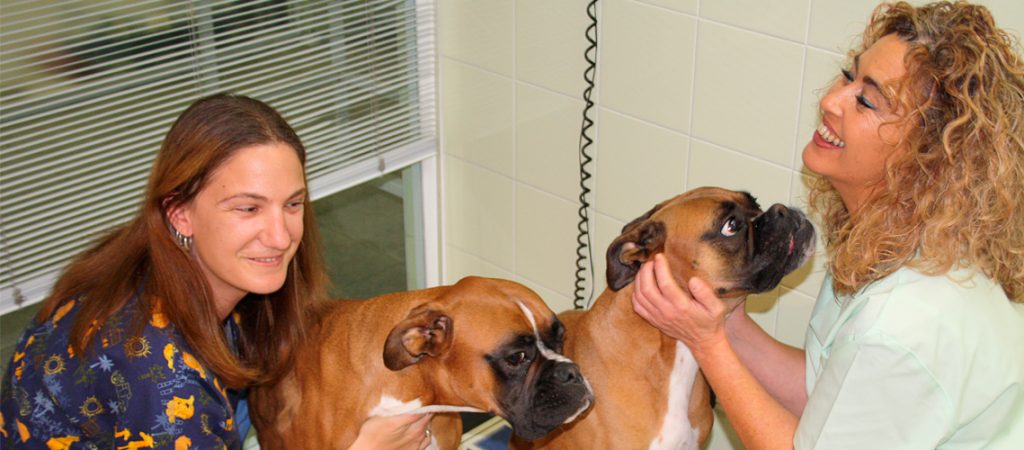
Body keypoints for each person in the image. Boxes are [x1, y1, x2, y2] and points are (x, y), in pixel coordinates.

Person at [631, 2, 1024, 449]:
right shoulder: (892, 241)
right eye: (848, 74)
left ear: (931, 157)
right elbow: (835, 399)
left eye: (867, 101)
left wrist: (707, 345)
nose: (830, 100)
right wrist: (727, 324)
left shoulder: (908, 322)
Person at [0, 94, 433, 449]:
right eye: (248, 208)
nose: (281, 237)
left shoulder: (162, 265)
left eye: (293, 204)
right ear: (179, 212)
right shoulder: (162, 375)